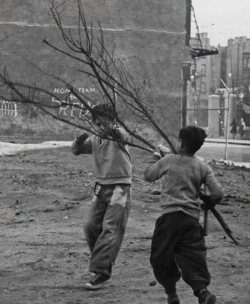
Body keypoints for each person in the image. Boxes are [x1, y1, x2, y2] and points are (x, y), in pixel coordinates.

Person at [143, 126, 224, 304]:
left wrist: (156, 157)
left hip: (169, 219)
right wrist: (206, 203)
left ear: (181, 142)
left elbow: (148, 175)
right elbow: (218, 193)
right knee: (194, 257)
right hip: (191, 220)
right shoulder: (202, 166)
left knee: (160, 255)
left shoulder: (169, 160)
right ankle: (203, 293)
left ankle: (171, 293)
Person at [72, 103, 132, 290]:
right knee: (90, 226)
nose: (99, 127)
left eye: (103, 123)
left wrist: (112, 130)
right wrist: (78, 142)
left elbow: (121, 136)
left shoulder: (120, 134)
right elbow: (76, 150)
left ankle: (102, 271)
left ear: (113, 122)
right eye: (96, 123)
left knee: (110, 228)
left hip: (120, 187)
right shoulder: (96, 138)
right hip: (101, 186)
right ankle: (102, 263)